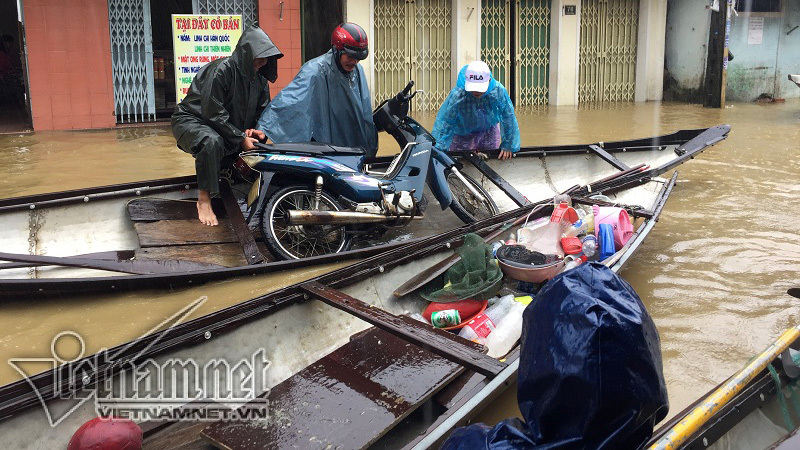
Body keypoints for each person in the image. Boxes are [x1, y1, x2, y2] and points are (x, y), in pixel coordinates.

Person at [171, 27, 282, 226]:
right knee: (211, 141)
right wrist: (240, 138)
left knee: (257, 148)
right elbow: (212, 112)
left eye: (266, 58)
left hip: (225, 127)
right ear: (246, 54)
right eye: (259, 57)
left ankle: (225, 179)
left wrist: (256, 131)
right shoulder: (222, 70)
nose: (263, 62)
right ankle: (204, 199)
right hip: (193, 120)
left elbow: (263, 113)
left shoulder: (260, 80)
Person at [255, 22, 378, 156]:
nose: (354, 62)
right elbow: (291, 99)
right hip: (323, 147)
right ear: (337, 50)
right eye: (350, 57)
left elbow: (364, 110)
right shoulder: (315, 70)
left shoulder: (357, 71)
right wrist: (266, 126)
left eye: (358, 58)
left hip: (352, 147)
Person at [431, 60, 520, 160]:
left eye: (480, 88)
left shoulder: (497, 91)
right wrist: (438, 149)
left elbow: (508, 116)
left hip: (488, 132)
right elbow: (446, 123)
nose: (476, 92)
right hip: (462, 136)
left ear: (489, 81)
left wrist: (509, 144)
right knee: (462, 164)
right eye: (473, 87)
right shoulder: (459, 94)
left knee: (488, 162)